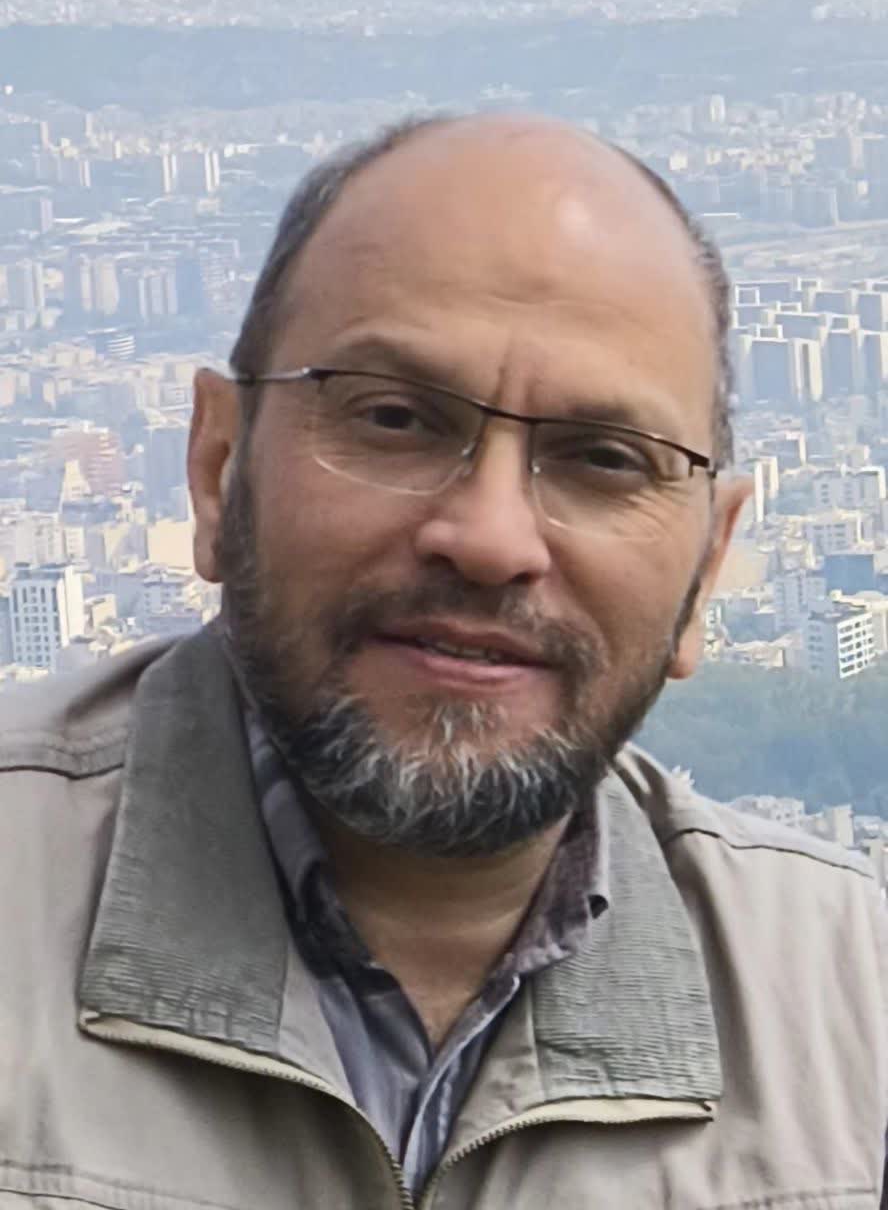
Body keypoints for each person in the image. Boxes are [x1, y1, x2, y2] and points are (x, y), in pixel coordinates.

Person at [0, 112, 885, 1210]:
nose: (491, 538)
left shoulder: (852, 1019)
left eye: (605, 459)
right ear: (219, 469)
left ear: (707, 568)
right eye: (395, 418)